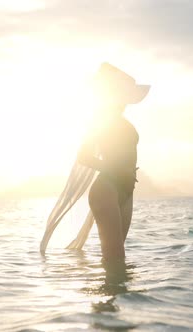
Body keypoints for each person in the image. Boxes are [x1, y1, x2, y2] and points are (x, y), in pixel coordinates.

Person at [76, 63, 150, 261]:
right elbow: (83, 156)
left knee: (119, 259)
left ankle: (117, 293)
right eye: (123, 93)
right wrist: (115, 168)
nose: (126, 100)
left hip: (126, 190)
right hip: (107, 188)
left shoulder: (123, 121)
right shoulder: (99, 120)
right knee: (114, 256)